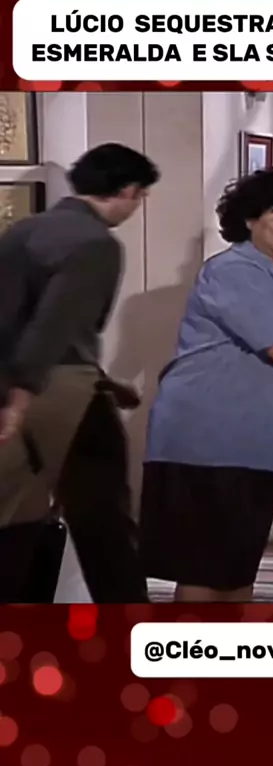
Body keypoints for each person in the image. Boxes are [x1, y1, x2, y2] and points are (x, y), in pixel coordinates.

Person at [140, 165, 273, 603]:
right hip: (210, 439)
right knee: (206, 570)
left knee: (235, 568)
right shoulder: (235, 270)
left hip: (248, 440)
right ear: (251, 218)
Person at [0, 142, 159, 603]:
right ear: (128, 190)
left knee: (19, 513)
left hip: (19, 380)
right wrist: (23, 394)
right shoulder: (96, 244)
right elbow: (56, 325)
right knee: (102, 518)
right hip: (52, 388)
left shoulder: (23, 230)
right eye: (141, 196)